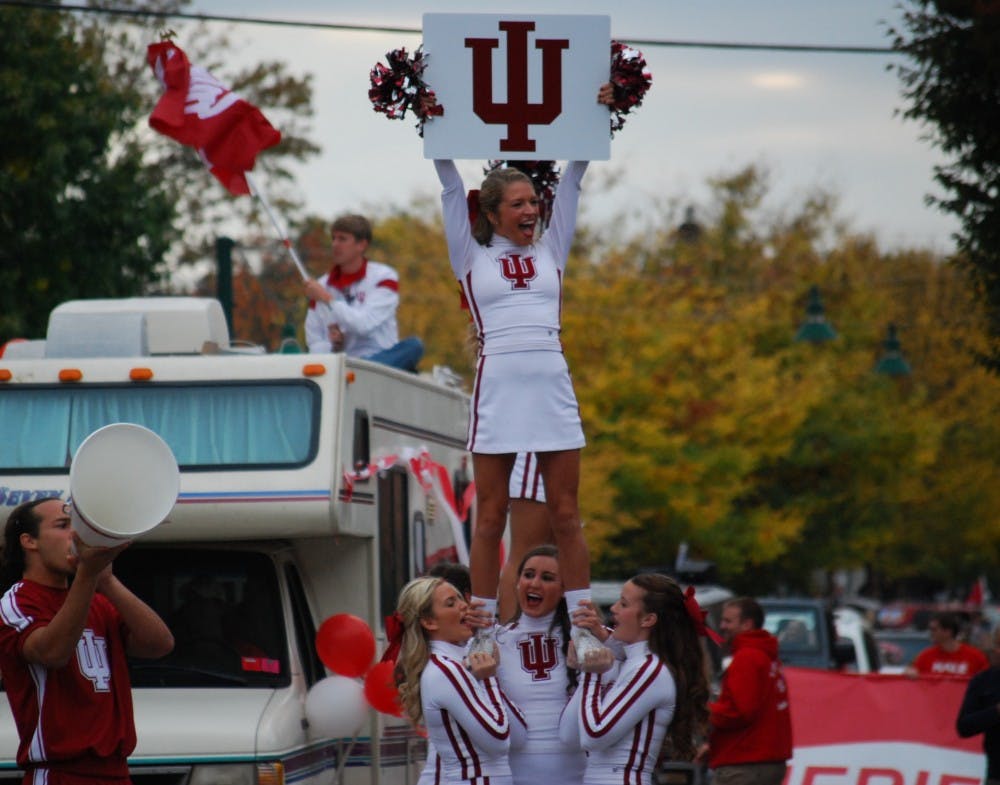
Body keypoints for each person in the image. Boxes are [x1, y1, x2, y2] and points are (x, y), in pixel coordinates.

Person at [432, 84, 616, 659]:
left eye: (535, 202)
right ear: (491, 213)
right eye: (518, 204)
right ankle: (482, 630)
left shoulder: (553, 249)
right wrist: (430, 120)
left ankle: (583, 628)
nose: (531, 211)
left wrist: (597, 110)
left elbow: (579, 176)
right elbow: (447, 183)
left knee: (566, 513)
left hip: (552, 385)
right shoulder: (470, 255)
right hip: (499, 389)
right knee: (490, 518)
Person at [0, 497, 175, 785]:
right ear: (29, 541)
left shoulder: (98, 601)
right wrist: (88, 574)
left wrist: (105, 580)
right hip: (59, 772)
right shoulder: (16, 602)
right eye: (63, 525)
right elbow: (54, 652)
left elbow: (160, 644)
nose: (76, 535)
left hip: (116, 770)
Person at [560, 573, 711, 785]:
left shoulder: (651, 670)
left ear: (649, 619)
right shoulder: (628, 663)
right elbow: (569, 736)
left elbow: (594, 736)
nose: (613, 608)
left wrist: (591, 675)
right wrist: (592, 659)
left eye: (623, 603)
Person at [393, 576, 525, 785]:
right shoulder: (444, 670)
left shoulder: (460, 663)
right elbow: (498, 741)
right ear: (429, 622)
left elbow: (518, 736)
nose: (464, 605)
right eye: (450, 603)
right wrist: (489, 679)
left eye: (460, 598)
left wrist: (488, 675)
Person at [498, 546, 591, 785]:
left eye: (547, 578)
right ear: (517, 582)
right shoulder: (496, 640)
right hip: (512, 776)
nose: (534, 584)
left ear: (564, 590)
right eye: (528, 575)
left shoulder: (584, 639)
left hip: (574, 776)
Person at [303, 213, 423, 371]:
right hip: (344, 366)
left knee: (414, 346)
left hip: (381, 361)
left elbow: (364, 324)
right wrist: (332, 345)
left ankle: (364, 373)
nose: (335, 244)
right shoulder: (321, 285)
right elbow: (314, 344)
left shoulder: (384, 277)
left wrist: (328, 299)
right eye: (334, 238)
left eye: (342, 239)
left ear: (362, 245)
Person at [705, 597, 792, 785]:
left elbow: (738, 711)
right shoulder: (767, 657)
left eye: (728, 621)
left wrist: (704, 711)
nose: (722, 626)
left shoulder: (747, 658)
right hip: (766, 760)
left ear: (747, 624)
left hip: (744, 764)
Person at [498, 453, 552, 623]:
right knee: (526, 556)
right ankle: (510, 637)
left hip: (557, 443)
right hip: (537, 444)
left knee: (556, 557)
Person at [956, 625, 1000, 783]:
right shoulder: (983, 680)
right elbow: (963, 727)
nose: (997, 650)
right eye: (997, 645)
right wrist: (995, 712)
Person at [907, 611, 989, 678]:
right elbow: (912, 672)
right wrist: (909, 672)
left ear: (948, 631)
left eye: (934, 629)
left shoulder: (975, 656)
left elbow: (987, 681)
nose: (931, 633)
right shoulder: (925, 656)